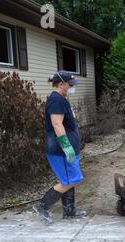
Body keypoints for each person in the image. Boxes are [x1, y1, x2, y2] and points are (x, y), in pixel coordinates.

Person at [33, 70, 87, 225]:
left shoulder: (61, 98)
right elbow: (57, 124)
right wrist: (67, 147)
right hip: (61, 149)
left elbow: (66, 120)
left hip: (67, 147)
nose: (72, 87)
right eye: (70, 84)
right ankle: (42, 205)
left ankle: (69, 210)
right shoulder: (56, 100)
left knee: (68, 178)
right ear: (62, 84)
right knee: (72, 179)